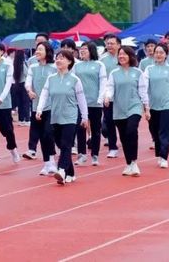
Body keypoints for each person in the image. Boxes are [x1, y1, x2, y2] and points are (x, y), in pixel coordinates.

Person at [36, 49, 88, 184]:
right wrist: (39, 109)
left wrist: (85, 117)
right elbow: (44, 95)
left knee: (66, 144)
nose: (58, 60)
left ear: (69, 61)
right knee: (60, 144)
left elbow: (81, 99)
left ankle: (62, 170)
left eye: (62, 58)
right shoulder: (51, 79)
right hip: (55, 117)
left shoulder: (75, 80)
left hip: (70, 117)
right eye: (57, 58)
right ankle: (70, 173)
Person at [140, 43, 169, 169]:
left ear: (166, 55)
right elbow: (144, 86)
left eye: (161, 53)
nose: (158, 55)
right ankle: (159, 153)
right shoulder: (149, 69)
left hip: (167, 103)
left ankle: (164, 156)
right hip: (153, 104)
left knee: (165, 131)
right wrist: (145, 103)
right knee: (155, 131)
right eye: (157, 52)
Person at [104, 46, 147, 176]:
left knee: (131, 130)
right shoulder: (114, 73)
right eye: (120, 54)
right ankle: (129, 163)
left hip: (134, 106)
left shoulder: (138, 72)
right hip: (119, 108)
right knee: (123, 136)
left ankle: (134, 162)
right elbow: (110, 88)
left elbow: (143, 91)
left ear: (130, 56)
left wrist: (146, 107)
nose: (121, 56)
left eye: (124, 54)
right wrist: (107, 97)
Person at [24, 41, 57, 175]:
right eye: (37, 49)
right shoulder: (33, 67)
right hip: (37, 107)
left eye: (40, 49)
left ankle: (52, 161)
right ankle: (47, 163)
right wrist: (29, 90)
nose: (37, 52)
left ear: (47, 52)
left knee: (48, 133)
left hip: (52, 106)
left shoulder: (54, 67)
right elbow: (28, 82)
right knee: (42, 135)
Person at [73, 42, 107, 166]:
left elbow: (103, 82)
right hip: (80, 103)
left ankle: (95, 155)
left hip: (95, 103)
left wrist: (100, 98)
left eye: (85, 49)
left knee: (96, 129)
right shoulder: (76, 66)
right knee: (80, 128)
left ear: (91, 50)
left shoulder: (99, 65)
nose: (82, 51)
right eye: (81, 49)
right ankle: (82, 154)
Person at [100, 34, 121, 158]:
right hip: (108, 96)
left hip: (123, 96)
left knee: (123, 122)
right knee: (109, 122)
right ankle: (113, 147)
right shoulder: (102, 60)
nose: (109, 46)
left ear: (118, 45)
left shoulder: (124, 57)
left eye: (112, 43)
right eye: (108, 43)